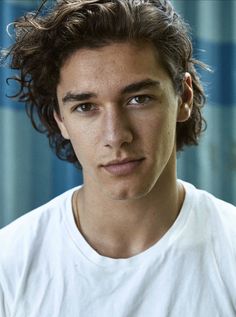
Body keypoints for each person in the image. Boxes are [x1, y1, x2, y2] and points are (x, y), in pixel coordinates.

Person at [0, 0, 236, 316]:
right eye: (85, 107)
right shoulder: (10, 263)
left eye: (139, 99)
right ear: (60, 120)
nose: (115, 136)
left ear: (184, 98)